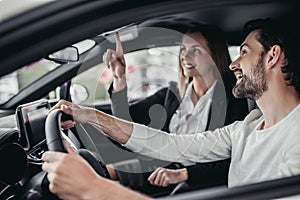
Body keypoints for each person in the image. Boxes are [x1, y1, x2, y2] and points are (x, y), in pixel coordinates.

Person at [42, 17, 300, 200]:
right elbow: (169, 143)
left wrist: (93, 189)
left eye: (243, 52)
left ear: (273, 55)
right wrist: (89, 114)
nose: (234, 64)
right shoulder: (247, 126)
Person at [103, 22, 249, 193]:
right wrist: (119, 79)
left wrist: (184, 173)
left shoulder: (233, 99)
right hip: (159, 167)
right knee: (102, 172)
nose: (185, 56)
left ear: (214, 55)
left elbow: (231, 158)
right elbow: (125, 120)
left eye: (196, 50)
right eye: (183, 49)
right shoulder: (172, 94)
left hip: (194, 181)